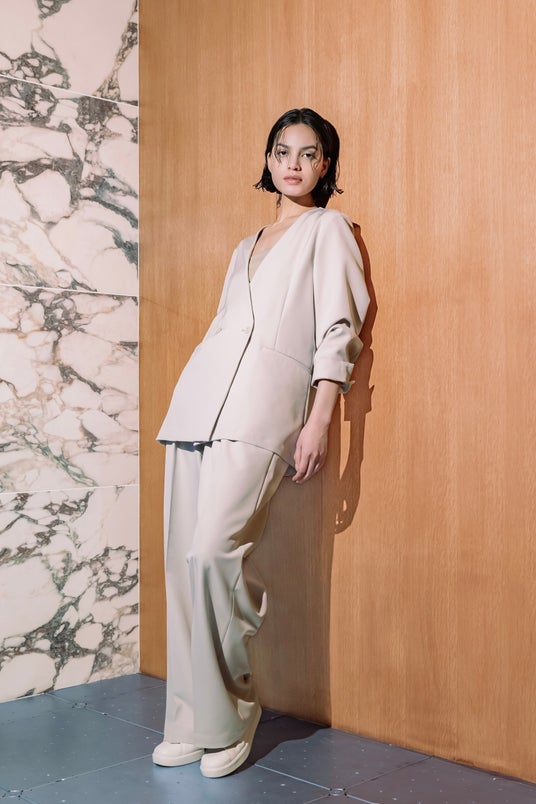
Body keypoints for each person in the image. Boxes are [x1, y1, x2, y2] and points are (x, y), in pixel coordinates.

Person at [152, 108, 370, 778]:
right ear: (268, 160)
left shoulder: (330, 230)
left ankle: (232, 714)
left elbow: (339, 327)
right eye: (282, 151)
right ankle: (189, 720)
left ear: (326, 165)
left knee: (213, 553)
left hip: (264, 406)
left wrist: (320, 420)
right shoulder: (245, 244)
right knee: (182, 564)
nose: (293, 164)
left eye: (308, 153)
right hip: (197, 402)